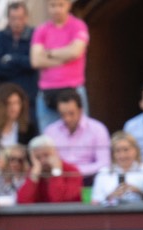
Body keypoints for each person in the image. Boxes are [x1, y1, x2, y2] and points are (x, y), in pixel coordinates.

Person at [30, 0, 88, 132]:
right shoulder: (41, 30)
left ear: (69, 5)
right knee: (48, 136)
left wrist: (48, 53)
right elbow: (36, 61)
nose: (57, 9)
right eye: (53, 5)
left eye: (60, 5)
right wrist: (65, 59)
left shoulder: (78, 26)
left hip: (73, 89)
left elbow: (75, 51)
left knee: (80, 132)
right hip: (47, 91)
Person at [43, 88, 109, 181]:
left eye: (71, 113)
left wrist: (74, 171)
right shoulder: (50, 131)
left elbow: (104, 163)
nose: (67, 119)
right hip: (59, 179)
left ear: (81, 110)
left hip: (89, 179)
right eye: (63, 114)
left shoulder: (98, 129)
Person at [0, 1, 37, 120]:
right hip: (5, 96)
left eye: (20, 18)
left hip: (28, 97)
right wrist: (22, 64)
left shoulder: (34, 35)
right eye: (13, 18)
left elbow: (34, 63)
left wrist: (12, 59)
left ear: (26, 18)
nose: (17, 22)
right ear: (8, 18)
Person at [0, 82, 36, 166]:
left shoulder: (28, 127)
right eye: (9, 103)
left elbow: (31, 156)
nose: (14, 108)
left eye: (17, 103)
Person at [16, 133, 82, 203]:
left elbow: (58, 201)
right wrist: (34, 177)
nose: (43, 160)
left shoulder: (72, 171)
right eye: (38, 158)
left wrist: (56, 171)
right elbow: (22, 201)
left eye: (46, 155)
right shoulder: (33, 172)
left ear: (56, 153)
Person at [90, 131, 143, 205]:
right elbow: (95, 202)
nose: (122, 155)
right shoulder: (103, 172)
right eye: (117, 151)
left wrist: (138, 191)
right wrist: (111, 196)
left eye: (126, 150)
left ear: (136, 150)